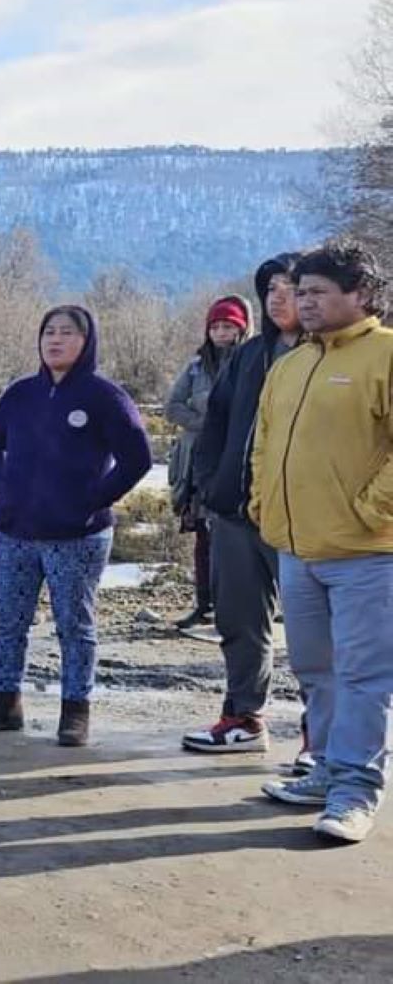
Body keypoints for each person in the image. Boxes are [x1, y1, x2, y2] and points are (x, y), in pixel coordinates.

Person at [252, 242, 393, 844]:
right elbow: (263, 445)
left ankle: (356, 792)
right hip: (297, 548)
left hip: (368, 553)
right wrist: (262, 502)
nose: (301, 301)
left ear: (360, 294)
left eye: (315, 291)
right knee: (316, 669)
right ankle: (328, 770)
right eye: (299, 290)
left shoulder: (385, 354)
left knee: (366, 676)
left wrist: (371, 510)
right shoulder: (290, 364)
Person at [0, 305, 151, 746]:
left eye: (67, 333)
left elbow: (137, 458)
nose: (55, 340)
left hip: (77, 535)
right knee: (9, 620)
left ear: (86, 343)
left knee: (74, 625)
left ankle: (75, 711)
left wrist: (93, 499)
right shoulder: (21, 394)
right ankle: (5, 703)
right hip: (15, 530)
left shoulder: (104, 396)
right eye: (49, 331)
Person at [183, 255, 303, 756]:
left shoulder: (327, 355)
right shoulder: (250, 354)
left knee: (314, 632)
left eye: (291, 286)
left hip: (304, 517)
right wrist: (210, 484)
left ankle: (320, 736)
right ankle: (244, 718)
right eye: (270, 287)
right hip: (235, 512)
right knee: (239, 619)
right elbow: (215, 423)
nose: (278, 296)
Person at [165, 295, 249, 630]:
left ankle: (245, 606)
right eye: (215, 326)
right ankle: (204, 604)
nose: (221, 332)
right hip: (197, 464)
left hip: (238, 462)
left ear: (240, 329)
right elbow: (173, 406)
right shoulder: (195, 367)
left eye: (228, 326)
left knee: (240, 538)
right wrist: (208, 426)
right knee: (203, 536)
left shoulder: (251, 363)